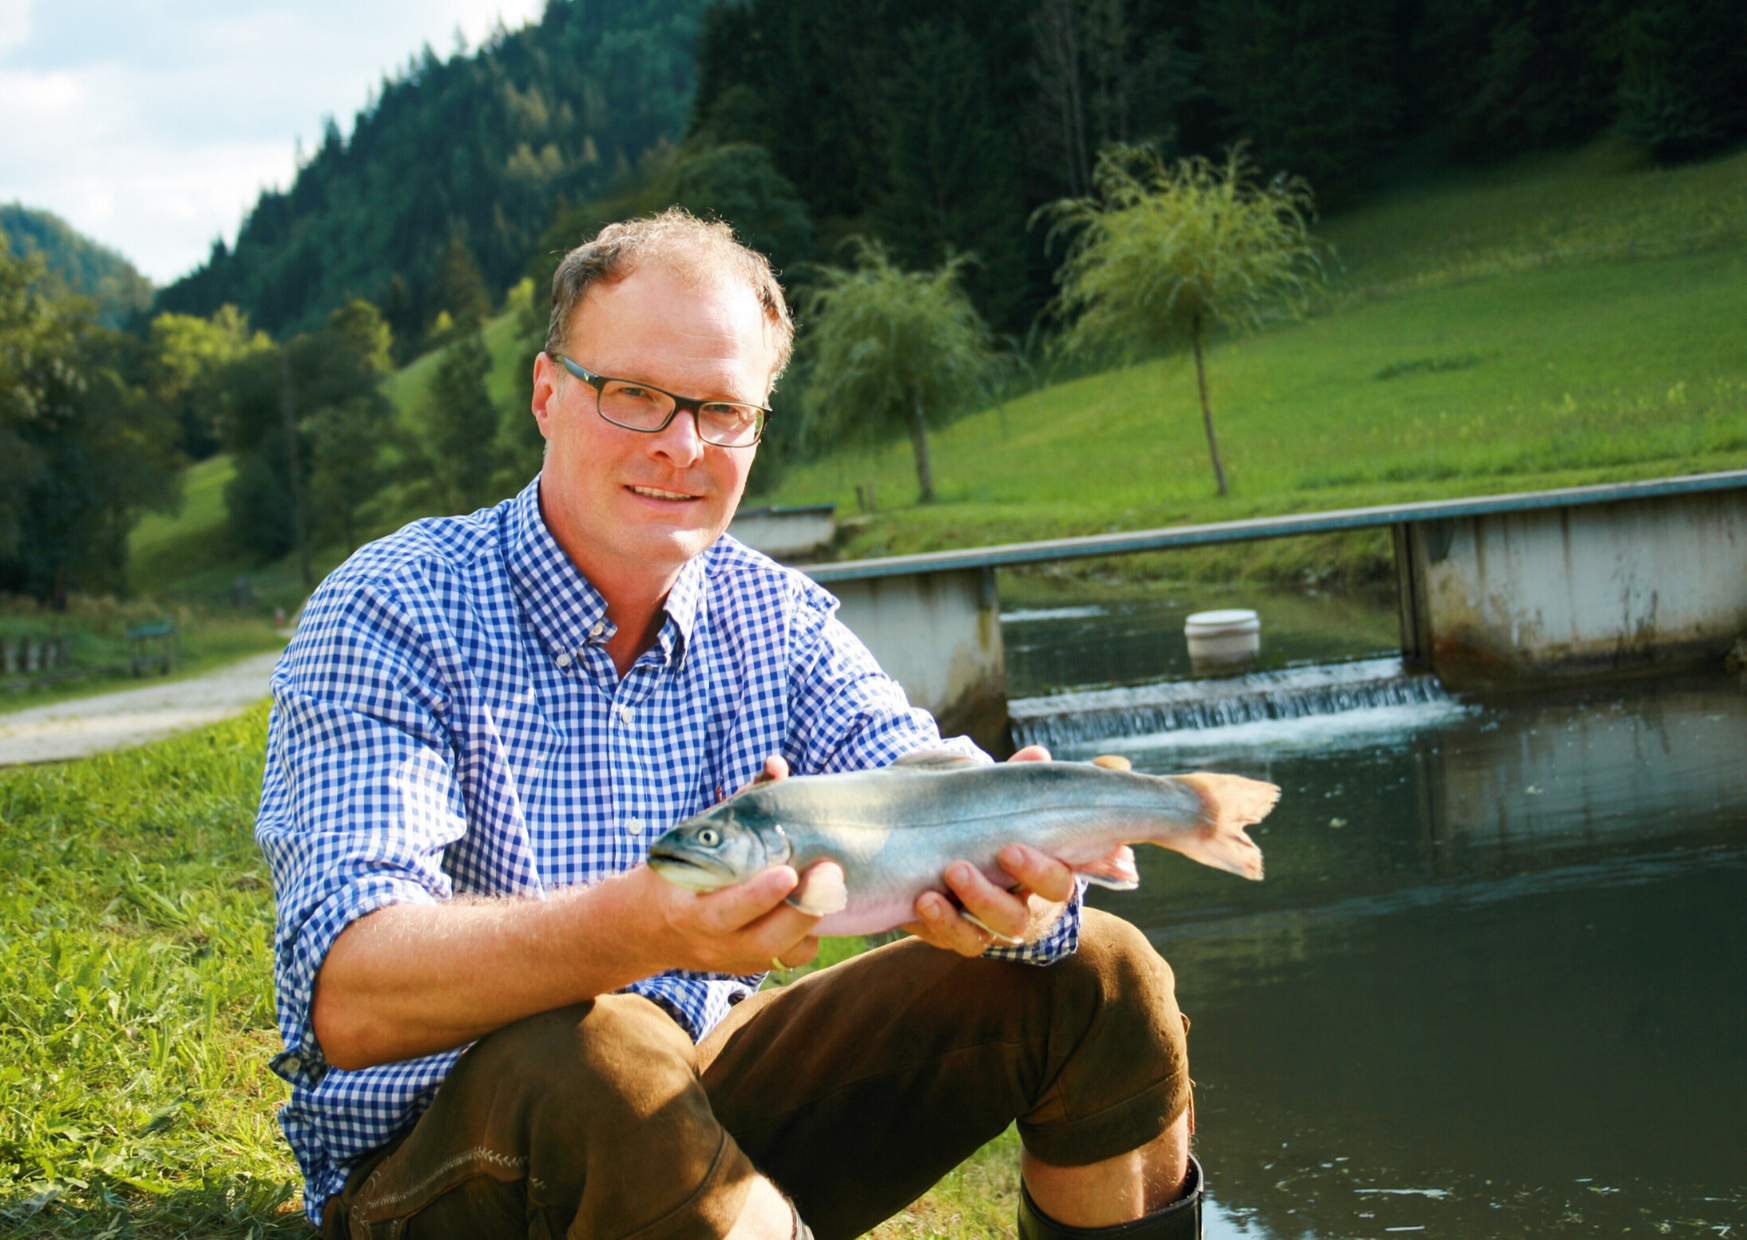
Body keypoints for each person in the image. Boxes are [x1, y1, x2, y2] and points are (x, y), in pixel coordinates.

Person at [256, 209, 1202, 1240]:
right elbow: (347, 991)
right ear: (546, 392)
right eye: (634, 397)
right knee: (601, 1054)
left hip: (702, 1093)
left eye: (722, 410)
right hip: (453, 1157)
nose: (681, 445)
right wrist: (646, 922)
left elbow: (922, 782)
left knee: (1103, 977)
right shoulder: (394, 606)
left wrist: (1015, 889)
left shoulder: (779, 622)